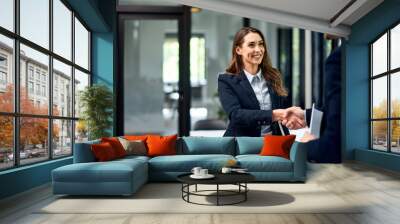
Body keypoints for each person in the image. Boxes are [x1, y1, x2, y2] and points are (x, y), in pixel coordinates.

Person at [218, 27, 305, 137]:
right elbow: (236, 115)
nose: (258, 49)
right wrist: (274, 114)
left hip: (273, 144)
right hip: (241, 146)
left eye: (261, 44)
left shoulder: (274, 75)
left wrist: (290, 121)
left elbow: (283, 112)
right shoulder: (226, 80)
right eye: (251, 45)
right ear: (238, 50)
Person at [284, 39, 342, 163]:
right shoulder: (348, 52)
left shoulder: (338, 58)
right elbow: (343, 111)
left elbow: (333, 148)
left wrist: (303, 146)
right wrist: (305, 115)